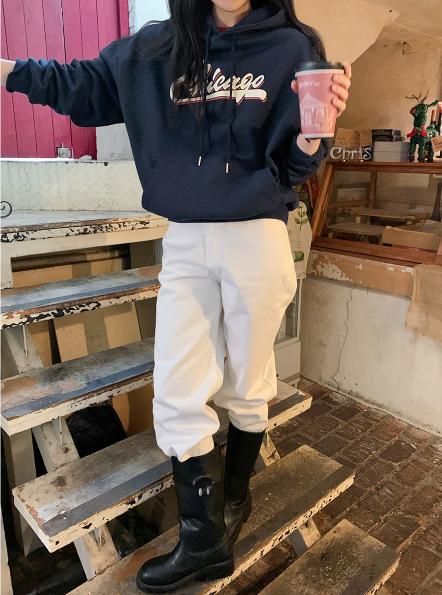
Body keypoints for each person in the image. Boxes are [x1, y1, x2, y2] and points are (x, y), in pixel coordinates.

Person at [1, 0, 351, 591]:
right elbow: (80, 85)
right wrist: (8, 71)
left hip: (257, 234)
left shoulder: (293, 47)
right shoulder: (154, 49)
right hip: (186, 238)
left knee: (248, 381)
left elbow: (295, 167)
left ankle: (233, 502)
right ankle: (202, 541)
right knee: (177, 387)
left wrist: (316, 139)